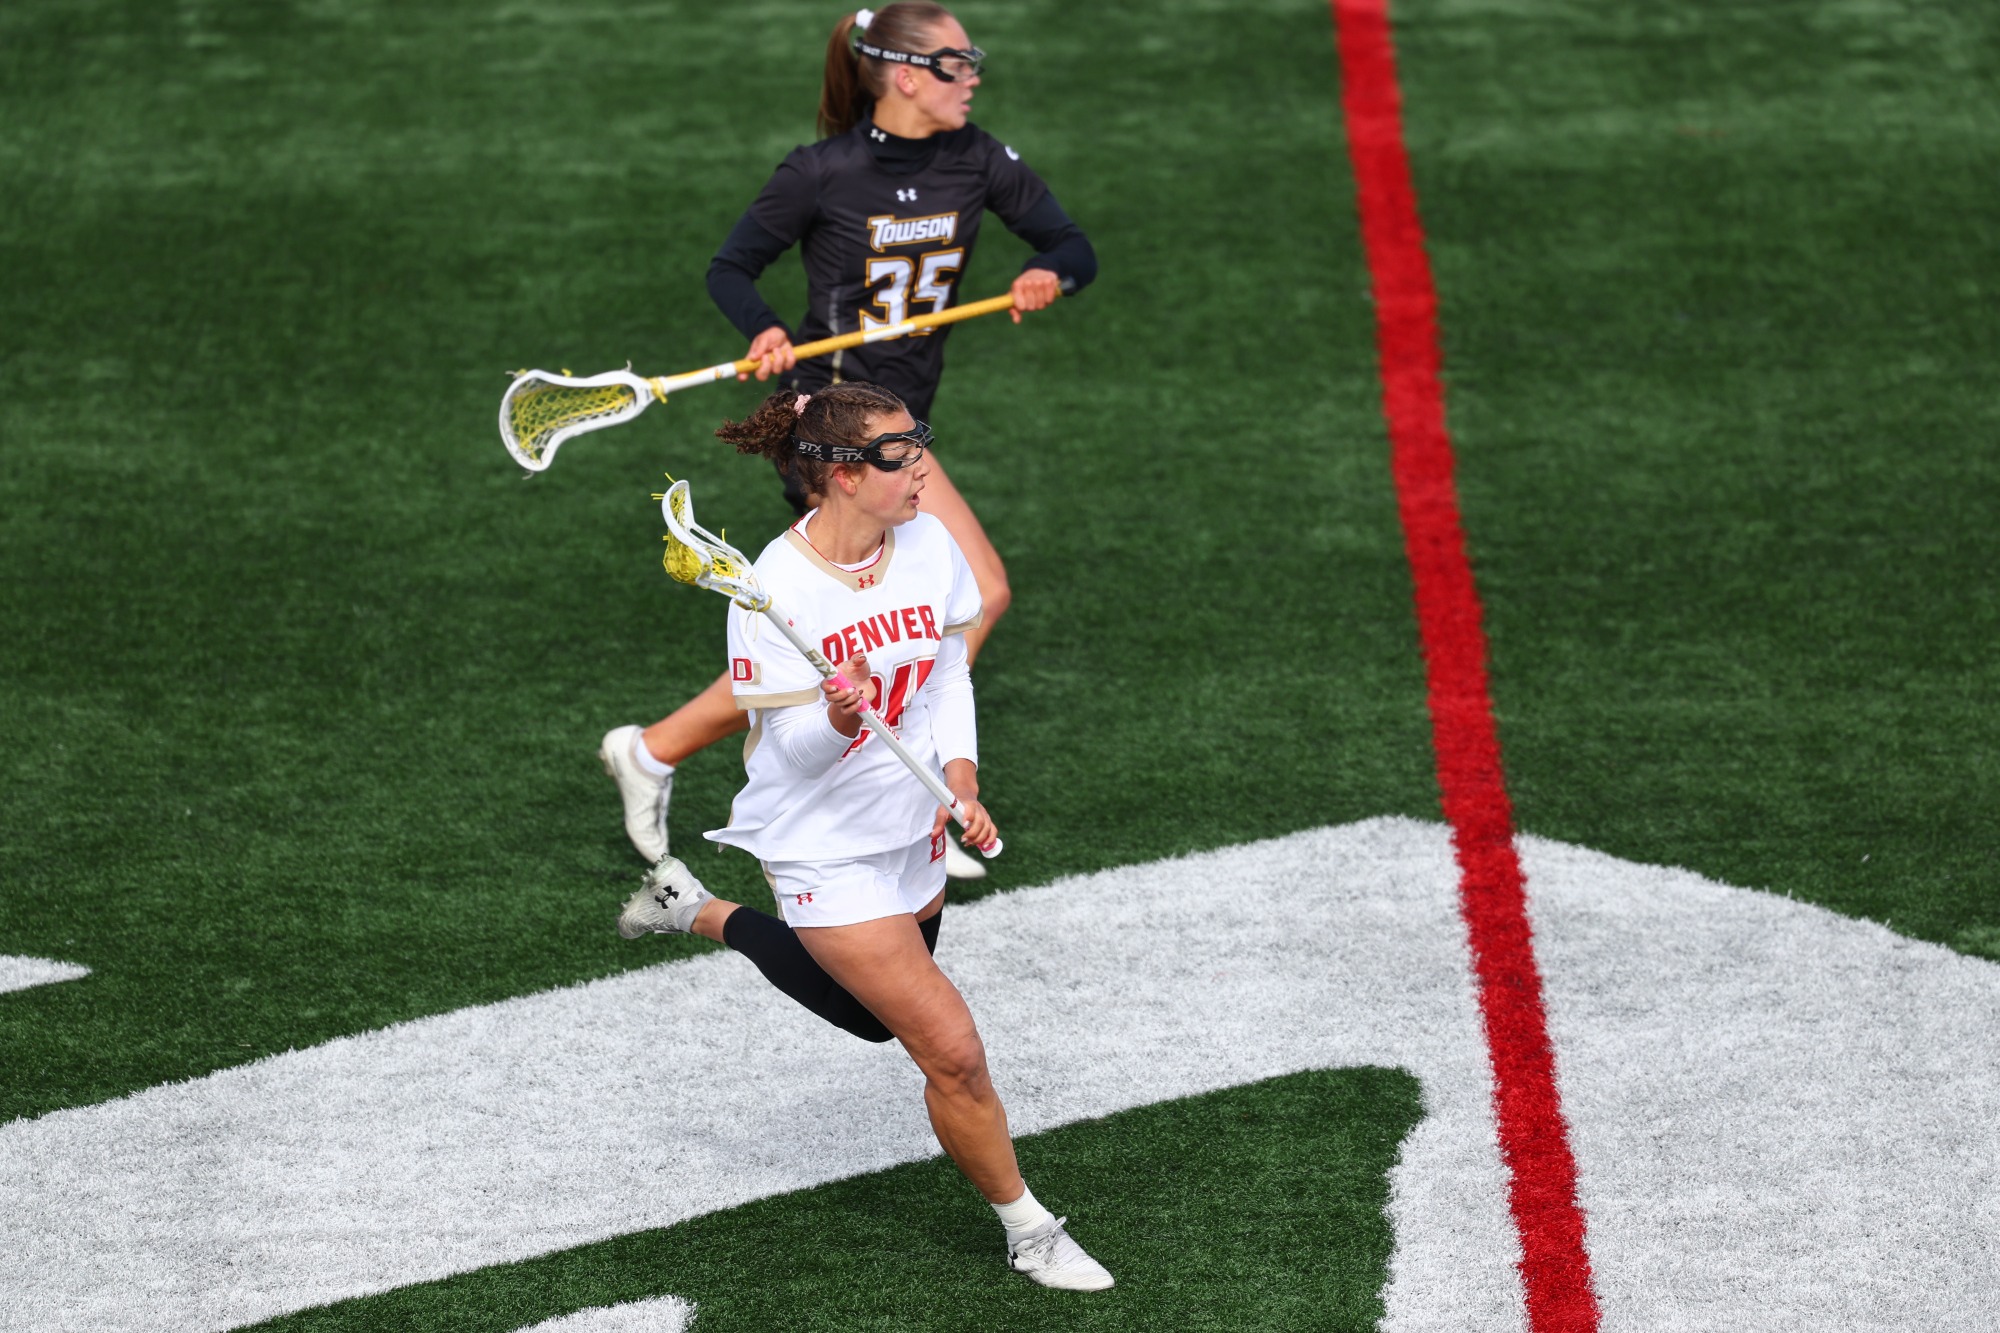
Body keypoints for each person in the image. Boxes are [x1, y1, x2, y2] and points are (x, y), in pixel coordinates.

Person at [618, 382, 1114, 1291]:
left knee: (872, 1019)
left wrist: (960, 777)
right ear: (843, 476)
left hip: (915, 822)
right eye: (897, 453)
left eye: (918, 441)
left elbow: (947, 671)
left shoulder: (927, 545)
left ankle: (691, 907)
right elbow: (790, 758)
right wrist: (840, 719)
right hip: (824, 845)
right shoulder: (773, 590)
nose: (920, 463)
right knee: (951, 1050)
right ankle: (1031, 1230)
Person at [601, 2, 1096, 881]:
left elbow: (1071, 243)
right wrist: (762, 330)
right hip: (833, 419)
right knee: (974, 591)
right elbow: (731, 267)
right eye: (959, 61)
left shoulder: (978, 160)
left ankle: (653, 751)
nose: (975, 73)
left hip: (898, 418)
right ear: (908, 75)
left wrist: (1046, 272)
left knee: (859, 633)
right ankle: (924, 786)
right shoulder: (821, 172)